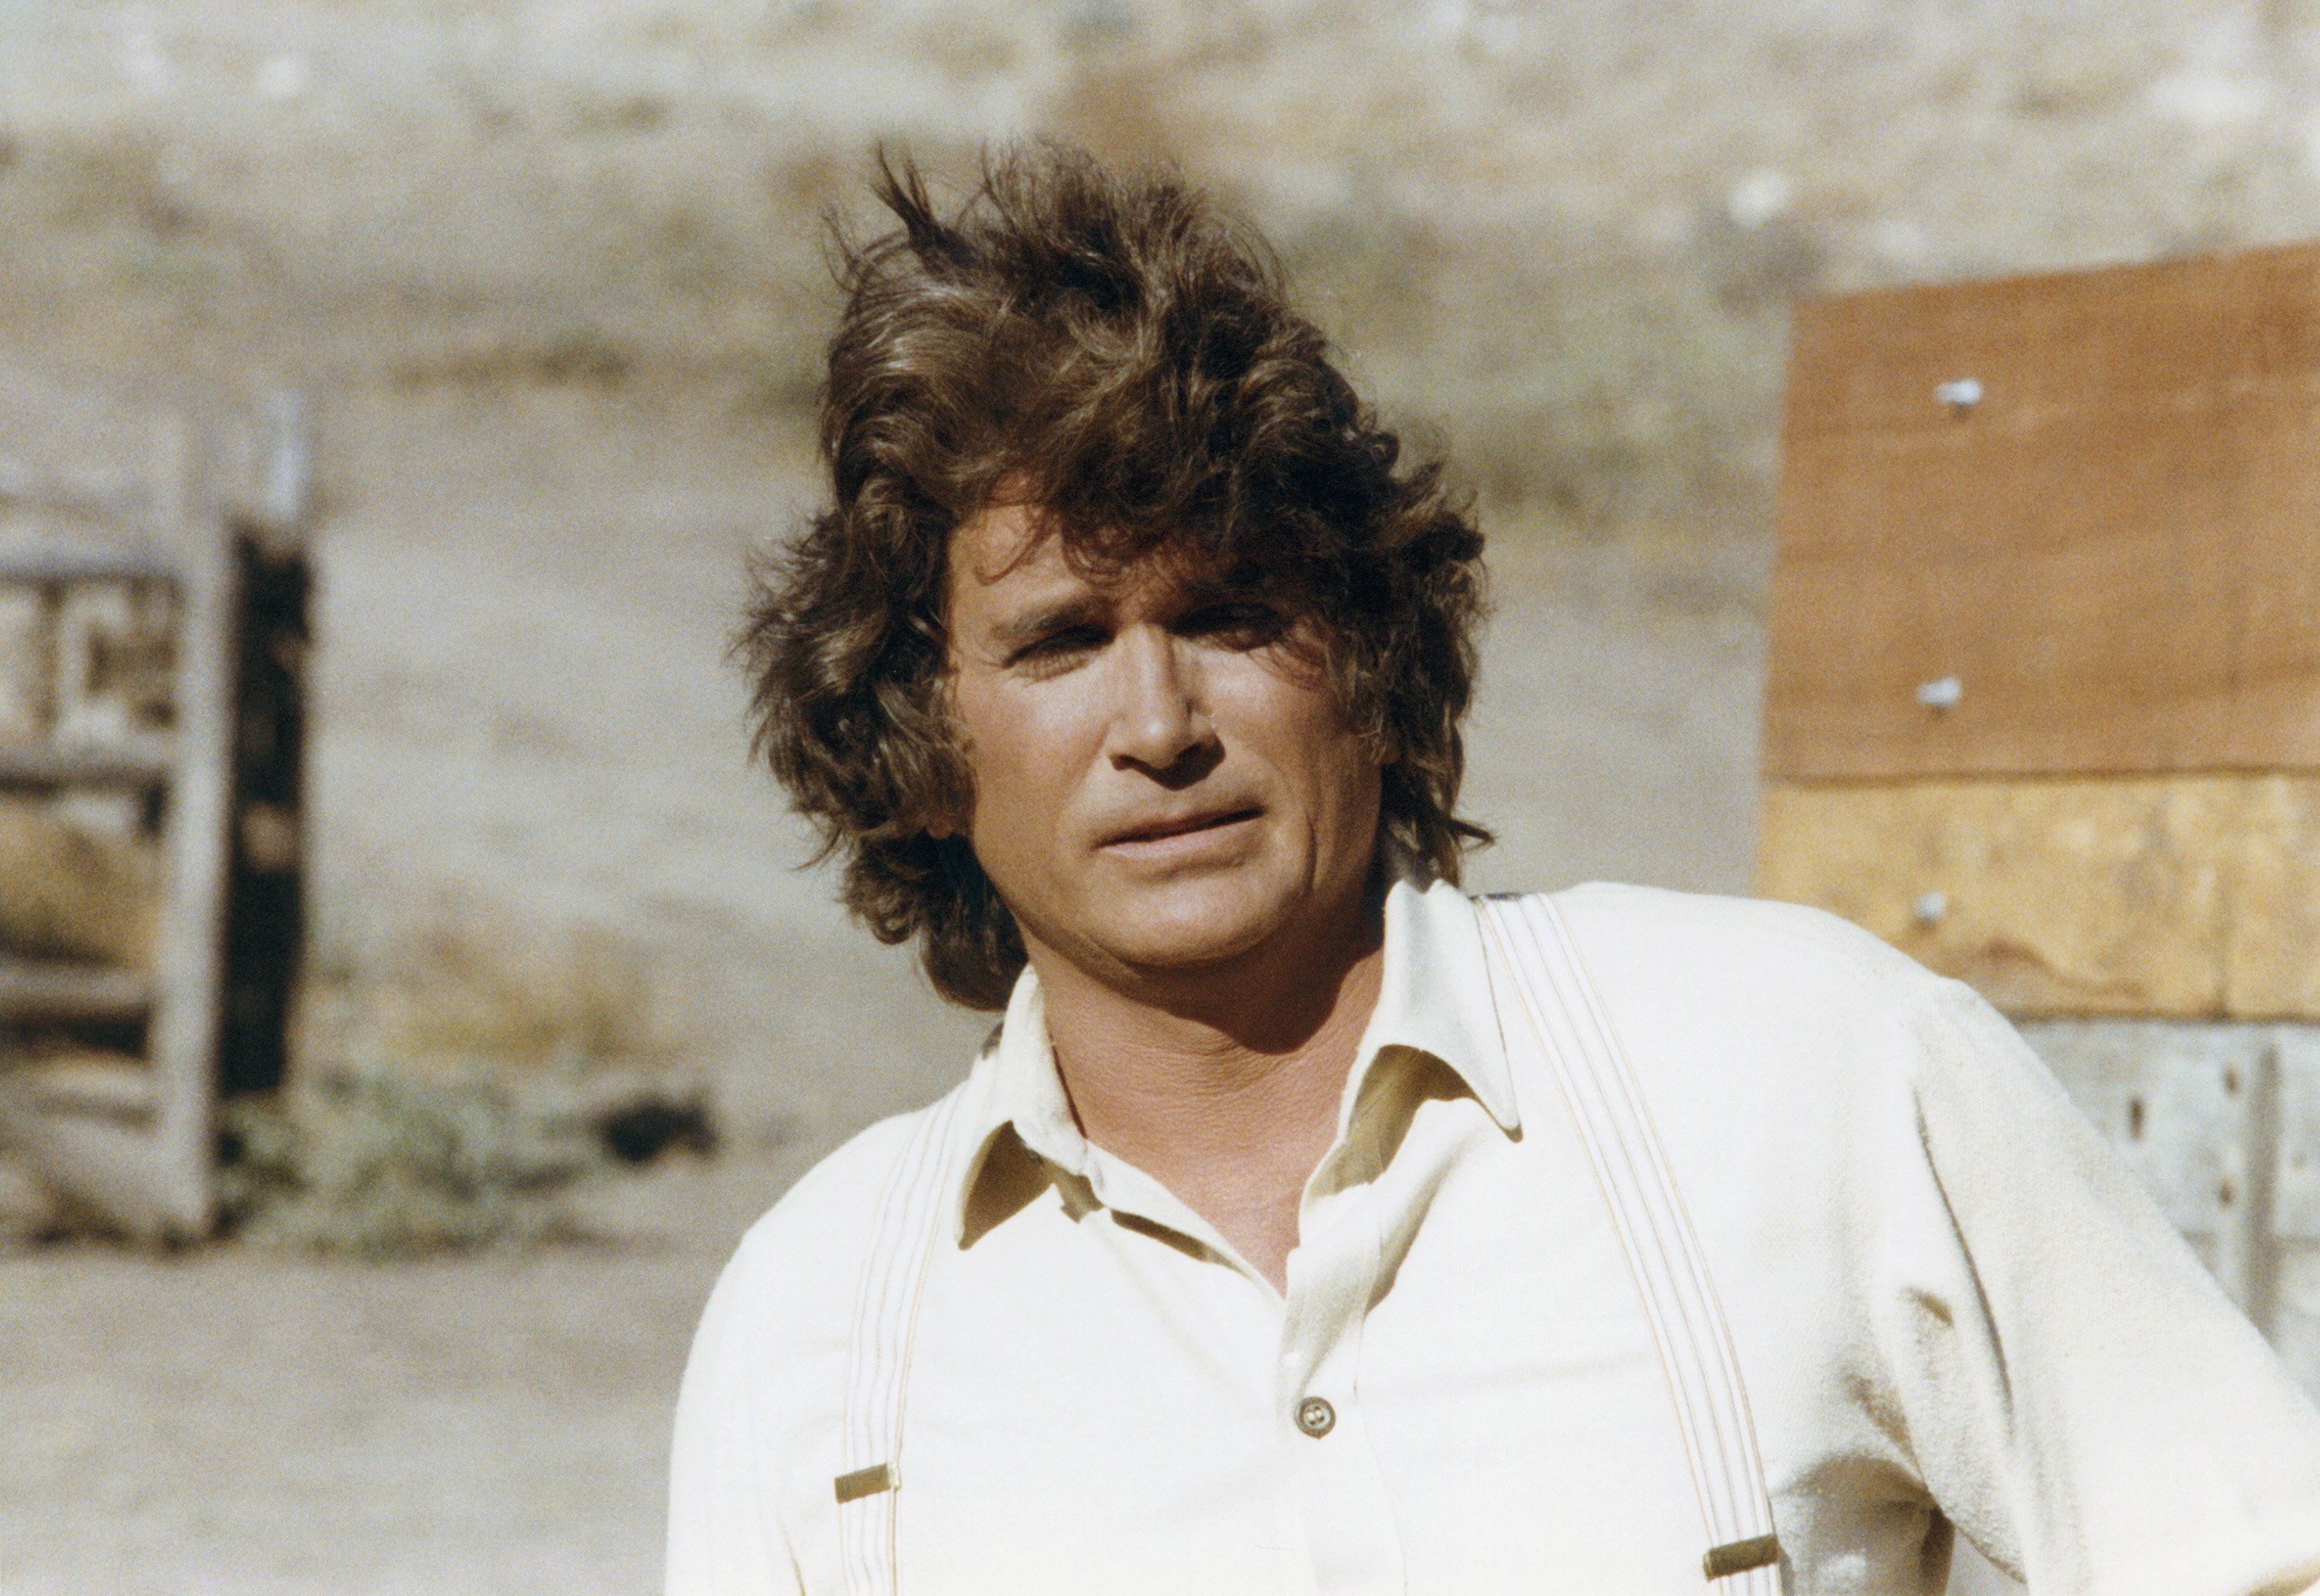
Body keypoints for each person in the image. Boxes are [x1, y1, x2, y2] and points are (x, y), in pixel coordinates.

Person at [667, 145, 2320, 1595]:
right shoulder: (818, 1327)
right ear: (920, 744)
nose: (1159, 722)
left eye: (1233, 615)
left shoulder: (1808, 1073)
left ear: (1372, 664)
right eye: (1061, 643)